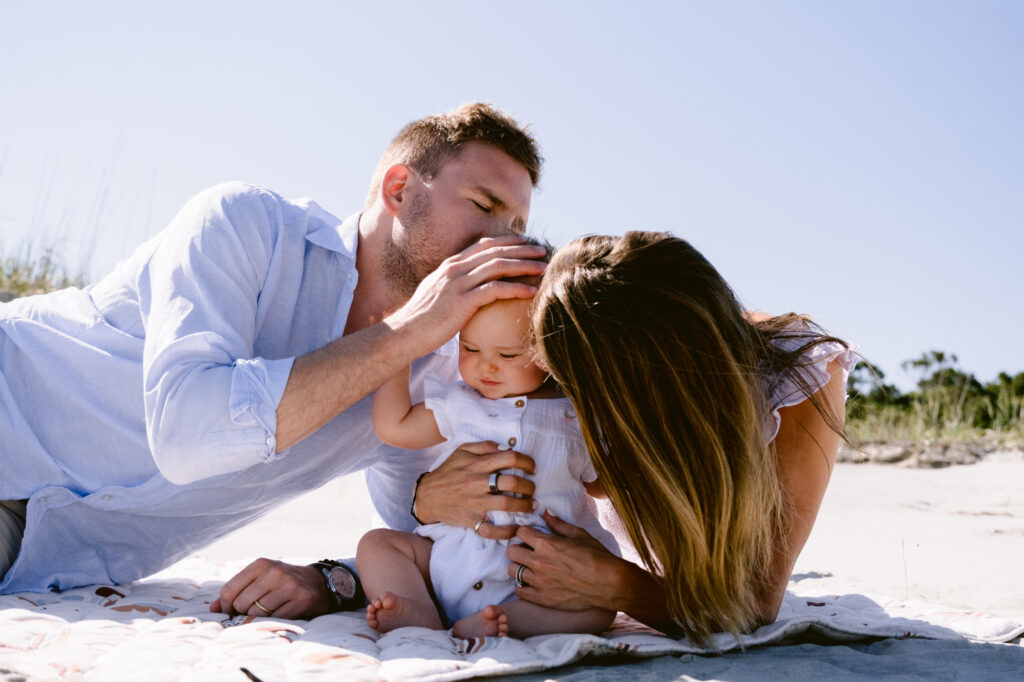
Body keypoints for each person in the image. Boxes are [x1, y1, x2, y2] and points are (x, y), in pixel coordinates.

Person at [0, 103, 547, 611]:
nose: (497, 242)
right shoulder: (244, 225)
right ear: (399, 190)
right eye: (483, 206)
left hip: (42, 558)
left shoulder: (446, 378)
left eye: (515, 229)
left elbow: (429, 541)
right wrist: (406, 332)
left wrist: (332, 579)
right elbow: (186, 436)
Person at [233, 230, 853, 649]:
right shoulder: (579, 331)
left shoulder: (798, 374)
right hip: (517, 560)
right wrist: (426, 499)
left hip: (613, 570)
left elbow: (754, 605)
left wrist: (619, 586)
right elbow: (486, 499)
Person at [358, 263, 618, 639]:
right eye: (470, 348)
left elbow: (602, 486)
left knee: (600, 607)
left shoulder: (573, 415)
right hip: (451, 557)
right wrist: (399, 349)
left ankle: (507, 622)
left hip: (538, 574)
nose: (485, 366)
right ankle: (418, 608)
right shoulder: (460, 402)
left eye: (508, 355)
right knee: (378, 544)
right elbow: (393, 426)